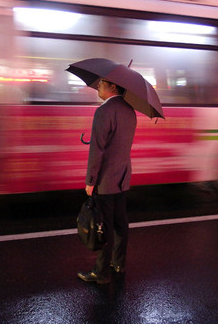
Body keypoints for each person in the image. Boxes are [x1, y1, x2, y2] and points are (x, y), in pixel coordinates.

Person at [77, 79, 137, 285]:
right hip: (122, 176)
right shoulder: (130, 110)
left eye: (101, 84)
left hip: (105, 179)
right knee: (121, 222)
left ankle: (100, 272)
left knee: (103, 225)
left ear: (113, 87)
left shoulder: (103, 112)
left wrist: (91, 180)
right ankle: (118, 262)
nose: (98, 88)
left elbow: (98, 151)